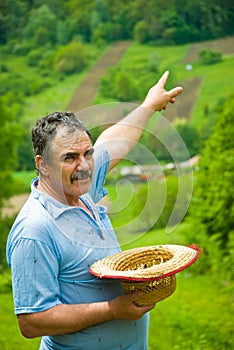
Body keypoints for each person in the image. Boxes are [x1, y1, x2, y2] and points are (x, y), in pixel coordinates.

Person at [6, 71, 183, 350]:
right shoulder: (35, 229)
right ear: (42, 164)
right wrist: (113, 310)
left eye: (86, 153)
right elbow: (32, 321)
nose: (85, 165)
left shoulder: (80, 187)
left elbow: (115, 141)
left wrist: (148, 106)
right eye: (70, 157)